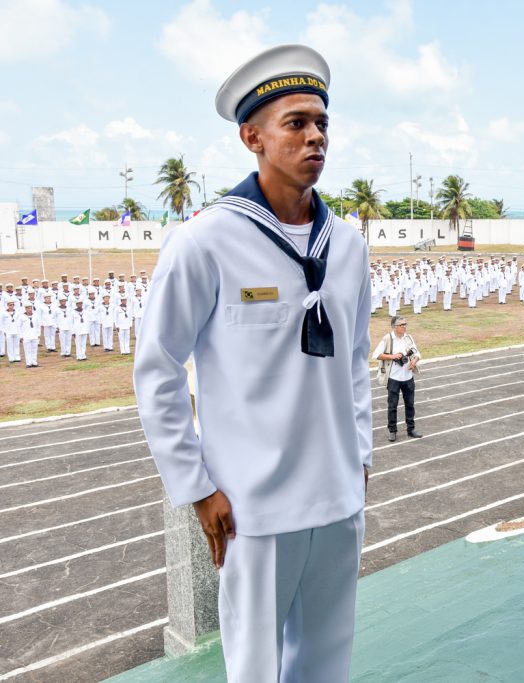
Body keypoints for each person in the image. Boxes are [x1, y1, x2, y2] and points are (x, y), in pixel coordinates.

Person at [134, 45, 371, 683]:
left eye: (322, 122)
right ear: (252, 138)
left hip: (337, 496)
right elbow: (156, 368)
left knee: (327, 661)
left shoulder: (346, 244)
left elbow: (353, 362)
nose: (316, 135)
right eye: (296, 123)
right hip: (254, 505)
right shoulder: (206, 240)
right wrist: (196, 485)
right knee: (257, 668)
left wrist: (362, 457)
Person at [374, 315, 423, 443]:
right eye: (402, 325)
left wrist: (414, 361)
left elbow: (417, 353)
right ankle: (392, 431)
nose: (405, 327)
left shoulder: (409, 337)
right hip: (393, 378)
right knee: (392, 406)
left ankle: (411, 429)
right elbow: (377, 355)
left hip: (408, 377)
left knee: (410, 405)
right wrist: (393, 356)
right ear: (394, 327)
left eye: (406, 324)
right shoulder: (387, 339)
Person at [20, 303, 39, 367]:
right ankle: (28, 363)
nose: (30, 309)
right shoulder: (22, 317)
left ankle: (34, 362)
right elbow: (19, 327)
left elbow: (38, 325)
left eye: (30, 308)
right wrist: (21, 336)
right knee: (27, 350)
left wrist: (38, 334)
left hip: (34, 335)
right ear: (25, 309)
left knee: (34, 350)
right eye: (28, 308)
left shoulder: (35, 316)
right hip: (26, 336)